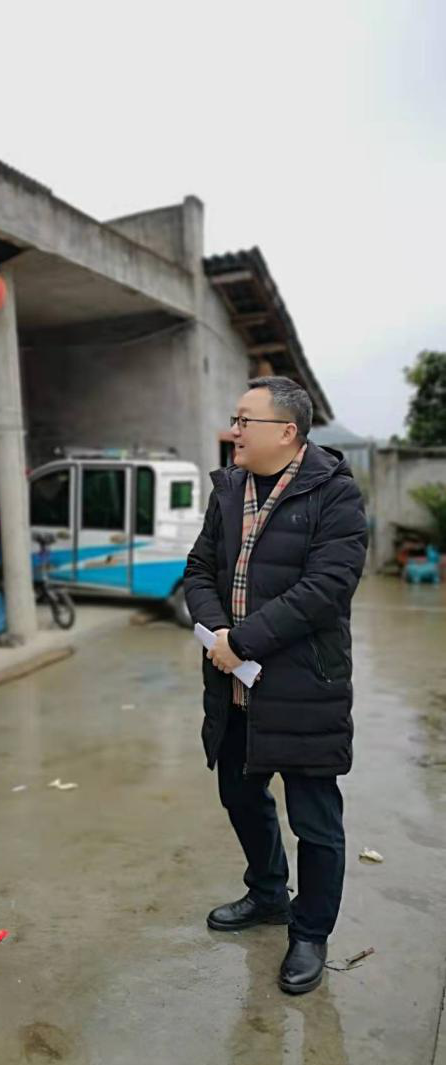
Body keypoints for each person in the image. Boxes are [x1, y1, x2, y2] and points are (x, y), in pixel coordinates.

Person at [184, 376, 367, 995]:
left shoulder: (335, 493)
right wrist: (217, 631)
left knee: (315, 820)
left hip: (304, 685)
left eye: (244, 421)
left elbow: (327, 588)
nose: (233, 432)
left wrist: (244, 641)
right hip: (232, 680)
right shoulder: (228, 489)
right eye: (235, 420)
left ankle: (309, 933)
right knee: (239, 793)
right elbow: (199, 567)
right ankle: (267, 893)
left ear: (286, 432)